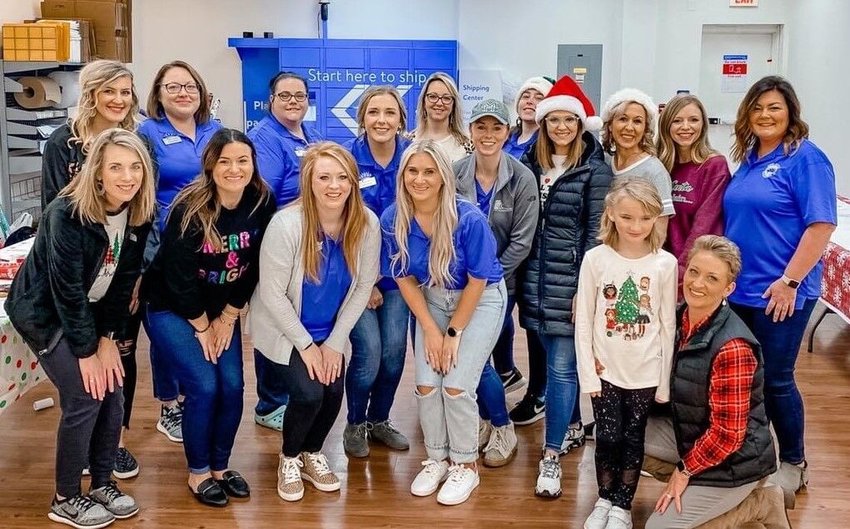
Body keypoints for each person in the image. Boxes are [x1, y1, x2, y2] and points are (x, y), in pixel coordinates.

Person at [7, 128, 155, 528]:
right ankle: (65, 496)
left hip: (91, 310)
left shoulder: (138, 212)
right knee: (86, 395)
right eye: (116, 167)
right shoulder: (67, 214)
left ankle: (103, 482)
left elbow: (124, 282)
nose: (128, 176)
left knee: (115, 392)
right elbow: (66, 292)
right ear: (98, 173)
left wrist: (108, 340)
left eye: (135, 166)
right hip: (45, 311)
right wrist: (87, 351)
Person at [142, 129, 275, 507]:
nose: (234, 168)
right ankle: (198, 472)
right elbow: (177, 276)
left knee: (232, 386)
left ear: (253, 164)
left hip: (221, 310)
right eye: (225, 161)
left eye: (242, 160)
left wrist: (228, 316)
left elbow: (254, 267)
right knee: (204, 385)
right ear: (210, 165)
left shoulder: (261, 201)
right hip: (171, 306)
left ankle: (220, 467)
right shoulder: (190, 205)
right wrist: (203, 325)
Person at [723, 76, 837, 496]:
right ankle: (753, 455)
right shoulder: (749, 159)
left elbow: (821, 224)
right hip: (740, 291)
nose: (766, 115)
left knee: (777, 380)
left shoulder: (806, 159)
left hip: (782, 293)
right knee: (745, 379)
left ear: (791, 112)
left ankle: (794, 461)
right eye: (758, 108)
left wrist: (789, 281)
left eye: (774, 107)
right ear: (746, 115)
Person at [249, 142, 380, 503]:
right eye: (324, 177)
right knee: (308, 394)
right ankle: (289, 457)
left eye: (342, 177)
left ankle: (312, 452)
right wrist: (306, 346)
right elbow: (273, 295)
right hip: (286, 330)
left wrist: (335, 343)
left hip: (330, 331)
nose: (333, 186)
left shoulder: (366, 223)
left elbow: (363, 287)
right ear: (309, 181)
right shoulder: (286, 224)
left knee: (334, 393)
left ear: (354, 182)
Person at [383, 139, 506, 506]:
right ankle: (437, 458)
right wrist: (432, 330)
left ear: (443, 177)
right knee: (425, 383)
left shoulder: (468, 218)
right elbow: (404, 277)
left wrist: (453, 333)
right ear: (403, 175)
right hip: (432, 300)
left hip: (479, 299)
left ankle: (465, 465)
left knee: (455, 385)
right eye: (412, 171)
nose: (419, 179)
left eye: (429, 171)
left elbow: (478, 280)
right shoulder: (394, 218)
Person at [509, 75, 612, 498]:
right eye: (555, 120)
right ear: (545, 122)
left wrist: (581, 293)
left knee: (562, 368)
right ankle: (570, 427)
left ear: (581, 123)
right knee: (551, 361)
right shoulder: (528, 166)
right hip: (533, 283)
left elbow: (596, 235)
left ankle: (550, 458)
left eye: (570, 120)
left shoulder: (595, 171)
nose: (562, 128)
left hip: (570, 285)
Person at [643, 235, 790, 529]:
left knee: (659, 528)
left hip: (736, 460)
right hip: (695, 435)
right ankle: (719, 497)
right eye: (694, 272)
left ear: (728, 288)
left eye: (712, 278)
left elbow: (728, 435)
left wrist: (684, 471)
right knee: (623, 436)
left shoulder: (732, 347)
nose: (697, 283)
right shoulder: (676, 319)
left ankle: (759, 503)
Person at [575, 178, 677, 529]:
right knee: (607, 436)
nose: (637, 226)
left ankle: (623, 504)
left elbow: (667, 325)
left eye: (645, 218)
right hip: (605, 372)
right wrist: (588, 373)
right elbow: (585, 321)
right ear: (612, 215)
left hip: (646, 373)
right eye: (628, 217)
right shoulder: (595, 259)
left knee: (634, 437)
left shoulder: (665, 264)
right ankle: (604, 498)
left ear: (656, 219)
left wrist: (663, 382)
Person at [134, 60, 223, 450]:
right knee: (166, 328)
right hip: (164, 245)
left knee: (199, 321)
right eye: (173, 87)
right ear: (158, 94)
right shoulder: (148, 132)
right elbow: (141, 193)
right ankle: (170, 403)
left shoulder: (215, 130)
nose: (183, 93)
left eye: (189, 86)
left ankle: (193, 395)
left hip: (211, 245)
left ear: (201, 92)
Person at [455, 99, 539, 467]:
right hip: (456, 285)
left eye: (496, 128)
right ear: (471, 132)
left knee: (479, 358)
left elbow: (522, 239)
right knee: (469, 359)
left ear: (507, 133)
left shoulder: (521, 177)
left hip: (499, 285)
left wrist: (488, 278)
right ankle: (489, 421)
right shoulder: (455, 173)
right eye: (481, 127)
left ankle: (501, 426)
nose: (488, 134)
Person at [248, 71, 323, 431]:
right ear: (271, 100)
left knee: (292, 317)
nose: (293, 101)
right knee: (274, 319)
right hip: (276, 243)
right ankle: (269, 403)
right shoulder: (265, 138)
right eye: (285, 95)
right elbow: (265, 197)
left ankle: (288, 392)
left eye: (300, 95)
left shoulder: (309, 137)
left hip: (305, 245)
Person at [342, 86, 413, 457]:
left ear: (402, 119)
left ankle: (379, 419)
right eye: (373, 112)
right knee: (369, 353)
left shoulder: (413, 158)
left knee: (394, 353)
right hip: (357, 277)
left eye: (389, 113)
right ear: (362, 119)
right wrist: (365, 281)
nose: (381, 120)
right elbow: (339, 224)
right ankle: (355, 423)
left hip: (402, 276)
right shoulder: (348, 161)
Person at [42, 60, 140, 210]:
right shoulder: (63, 142)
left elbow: (146, 201)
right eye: (108, 91)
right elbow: (52, 207)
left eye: (125, 92)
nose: (119, 100)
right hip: (76, 230)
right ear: (90, 95)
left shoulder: (139, 142)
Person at [656, 94, 731, 284]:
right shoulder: (659, 166)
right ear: (666, 126)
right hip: (657, 268)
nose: (686, 127)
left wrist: (682, 271)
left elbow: (705, 225)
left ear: (703, 125)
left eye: (693, 120)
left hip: (692, 272)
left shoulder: (714, 166)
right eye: (677, 121)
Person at [600, 88, 675, 236]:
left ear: (646, 128)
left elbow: (659, 232)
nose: (629, 127)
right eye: (623, 119)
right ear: (610, 125)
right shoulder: (604, 162)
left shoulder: (654, 171)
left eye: (637, 121)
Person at [411, 72, 473, 163]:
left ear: (454, 104)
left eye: (446, 98)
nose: (439, 103)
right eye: (433, 96)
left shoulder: (468, 144)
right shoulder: (409, 142)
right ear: (423, 101)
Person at [504, 76, 554, 160]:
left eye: (539, 98)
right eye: (526, 96)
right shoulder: (505, 136)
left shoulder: (551, 144)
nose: (529, 101)